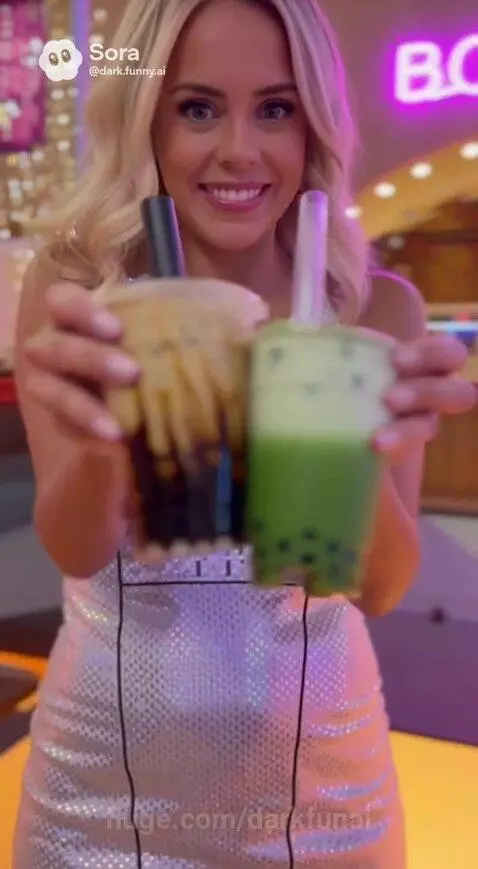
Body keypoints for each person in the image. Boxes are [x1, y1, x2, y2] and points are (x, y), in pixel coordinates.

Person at [12, 0, 475, 866]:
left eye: (275, 108)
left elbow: (379, 587)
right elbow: (76, 545)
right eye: (197, 108)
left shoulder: (375, 309)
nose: (238, 148)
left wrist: (358, 445)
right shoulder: (83, 290)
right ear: (148, 119)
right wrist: (120, 421)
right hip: (100, 802)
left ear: (314, 128)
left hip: (327, 799)